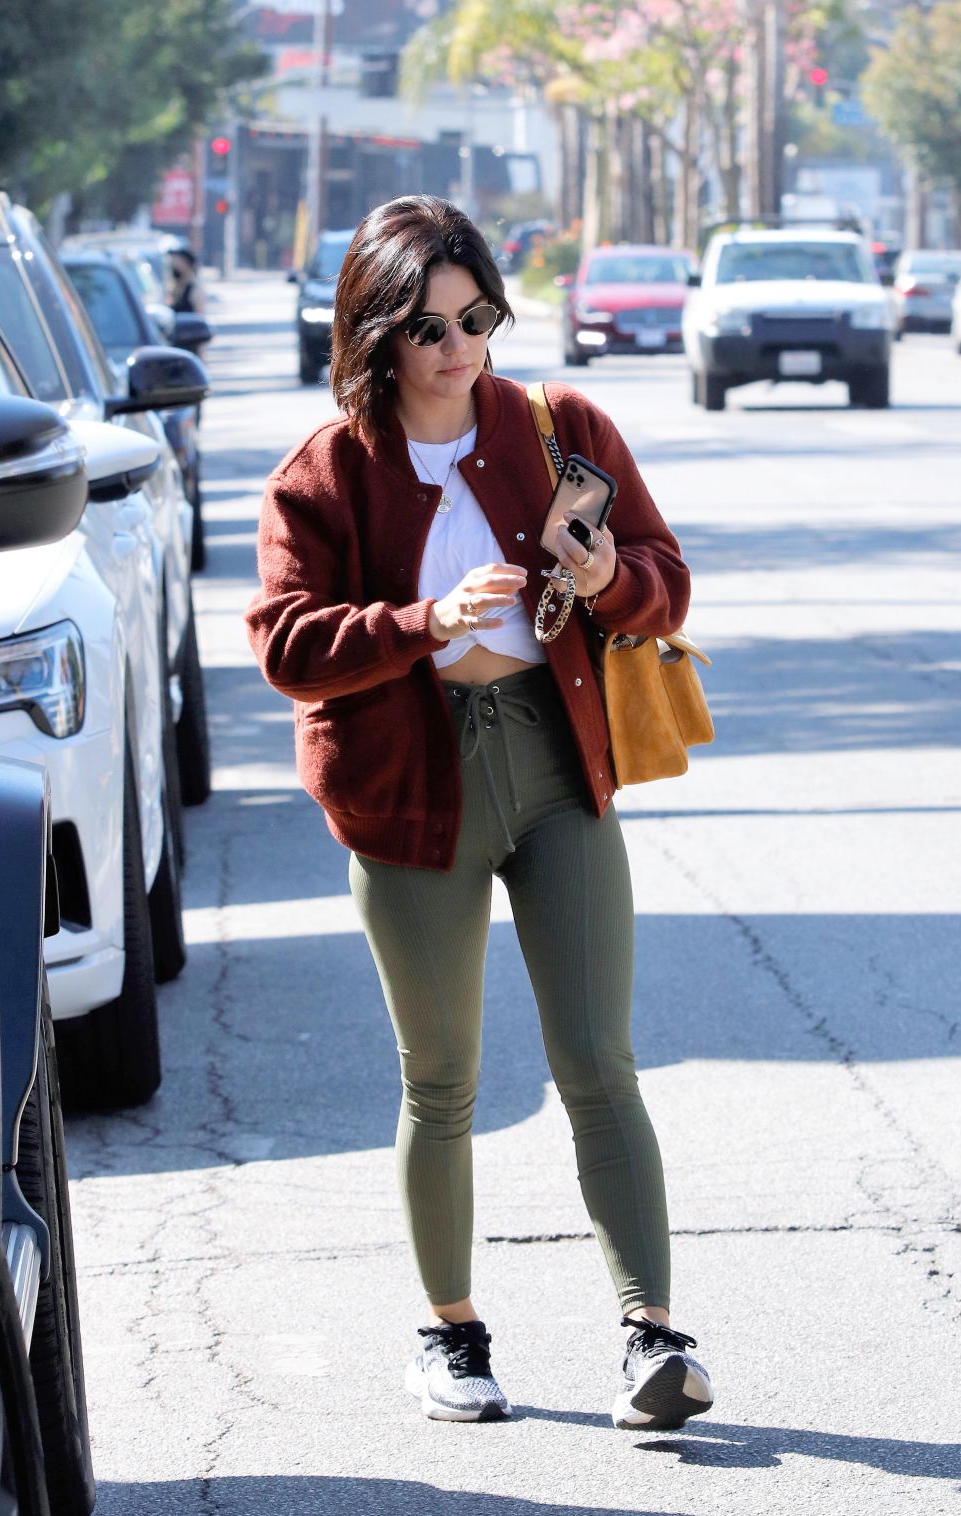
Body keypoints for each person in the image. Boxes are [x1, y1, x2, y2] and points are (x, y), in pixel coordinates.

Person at [245, 194, 714, 1430]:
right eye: (431, 326)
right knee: (441, 1076)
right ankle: (450, 1332)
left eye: (478, 317)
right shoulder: (326, 469)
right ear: (378, 334)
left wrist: (609, 575)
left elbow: (663, 583)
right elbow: (287, 645)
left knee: (598, 1059)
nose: (461, 347)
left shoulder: (558, 429)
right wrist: (421, 623)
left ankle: (649, 1334)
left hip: (556, 764)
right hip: (408, 784)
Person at [168, 246, 207, 317]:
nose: (175, 266)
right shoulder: (175, 287)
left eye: (179, 263)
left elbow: (200, 318)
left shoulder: (195, 289)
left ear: (188, 264)